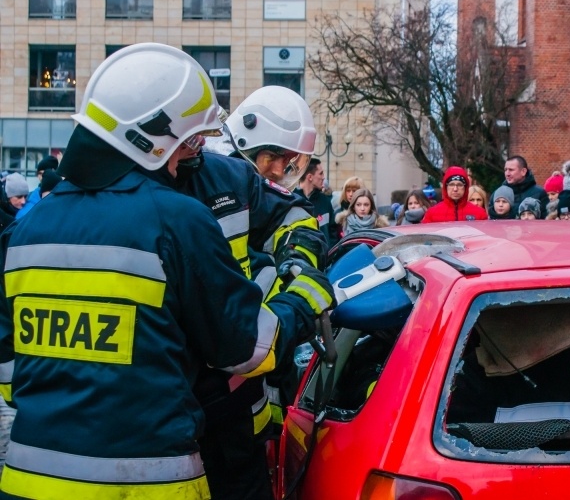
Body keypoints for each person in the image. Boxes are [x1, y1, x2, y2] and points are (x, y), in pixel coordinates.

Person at [0, 43, 336, 500]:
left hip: (28, 481)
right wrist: (301, 299)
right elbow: (249, 346)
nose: (193, 155)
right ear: (146, 138)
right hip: (151, 479)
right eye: (189, 140)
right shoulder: (175, 218)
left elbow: (9, 376)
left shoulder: (25, 231)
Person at [183, 87, 327, 500]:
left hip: (246, 379)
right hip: (198, 387)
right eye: (275, 159)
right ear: (248, 142)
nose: (281, 170)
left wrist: (299, 255)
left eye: (288, 162)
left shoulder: (241, 182)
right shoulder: (201, 177)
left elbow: (292, 212)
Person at [295, 157, 337, 249]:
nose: (323, 177)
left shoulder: (325, 201)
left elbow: (333, 232)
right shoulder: (292, 201)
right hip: (300, 259)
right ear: (310, 177)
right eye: (321, 173)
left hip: (325, 260)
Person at [422, 166, 489, 223]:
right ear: (446, 187)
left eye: (459, 185)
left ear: (465, 187)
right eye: (451, 184)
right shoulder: (432, 213)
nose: (455, 189)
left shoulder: (479, 214)